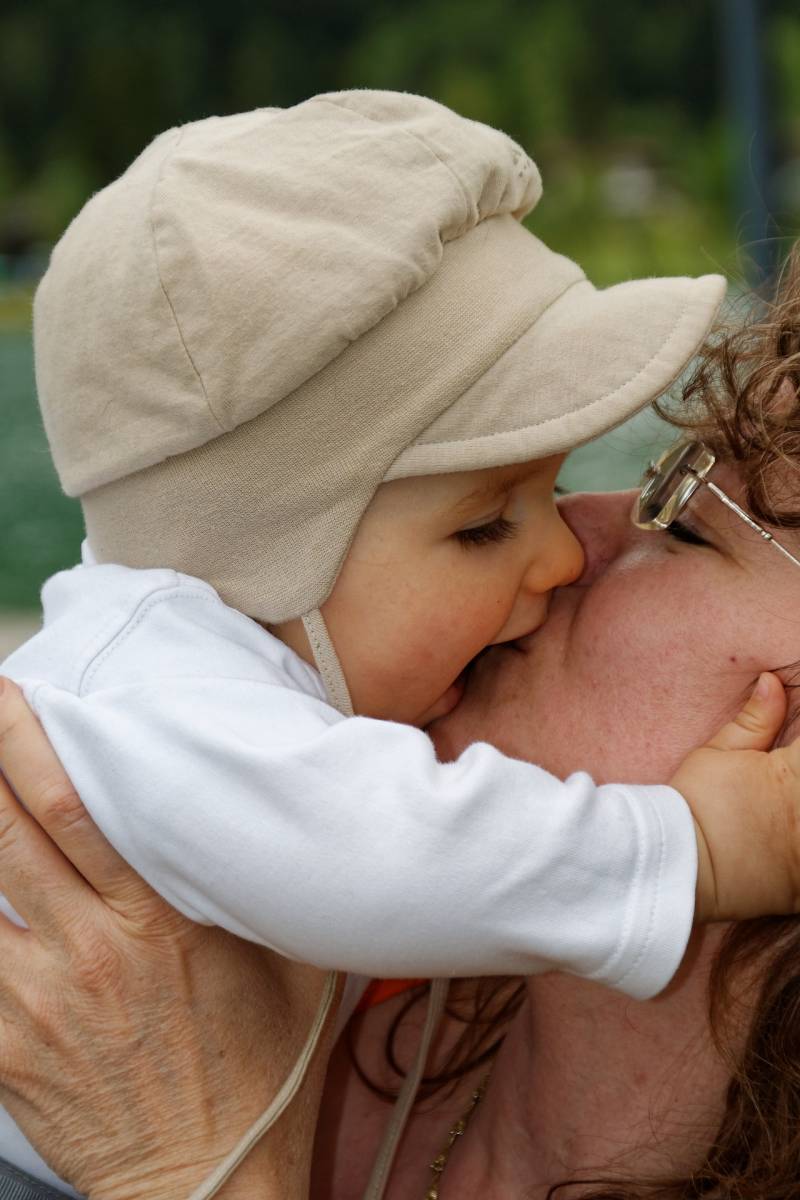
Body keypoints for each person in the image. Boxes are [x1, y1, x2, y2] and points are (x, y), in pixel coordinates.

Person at [9, 88, 800, 1198]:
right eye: (483, 519)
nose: (571, 543)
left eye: (687, 524)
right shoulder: (357, 911)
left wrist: (188, 1173)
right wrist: (691, 852)